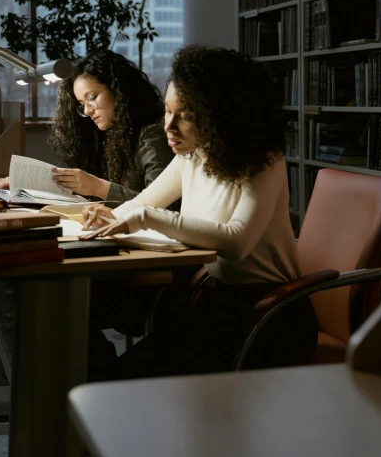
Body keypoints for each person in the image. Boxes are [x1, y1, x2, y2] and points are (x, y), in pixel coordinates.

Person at [82, 45, 318, 378]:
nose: (170, 126)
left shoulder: (264, 159)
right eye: (167, 111)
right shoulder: (191, 156)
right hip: (216, 305)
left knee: (129, 379)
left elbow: (238, 242)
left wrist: (146, 218)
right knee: (113, 370)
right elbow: (144, 202)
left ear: (219, 114)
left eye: (186, 115)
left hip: (269, 314)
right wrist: (107, 214)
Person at [0, 49, 174, 205]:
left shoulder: (151, 136)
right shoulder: (105, 135)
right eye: (81, 103)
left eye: (92, 98)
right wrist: (28, 183)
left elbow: (164, 207)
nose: (87, 110)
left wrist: (98, 187)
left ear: (119, 90)